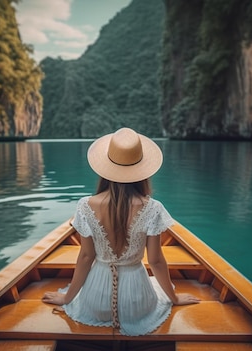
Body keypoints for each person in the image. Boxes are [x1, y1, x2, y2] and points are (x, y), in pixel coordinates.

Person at [42, 127, 200, 336]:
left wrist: (67, 298)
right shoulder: (153, 208)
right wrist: (174, 298)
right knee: (160, 292)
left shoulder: (85, 205)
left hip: (95, 299)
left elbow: (86, 257)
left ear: (105, 168)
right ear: (142, 170)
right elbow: (156, 261)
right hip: (136, 301)